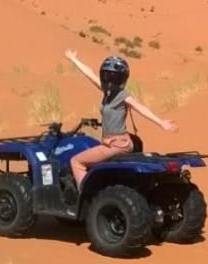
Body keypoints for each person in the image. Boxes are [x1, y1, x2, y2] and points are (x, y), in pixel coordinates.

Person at [63, 50, 178, 193]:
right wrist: (73, 59)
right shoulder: (108, 92)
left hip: (116, 145)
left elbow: (139, 107)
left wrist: (161, 123)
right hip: (115, 143)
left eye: (113, 77)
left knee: (76, 162)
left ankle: (86, 197)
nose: (109, 80)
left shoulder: (123, 96)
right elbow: (89, 74)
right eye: (107, 76)